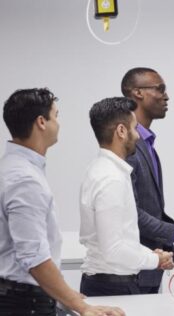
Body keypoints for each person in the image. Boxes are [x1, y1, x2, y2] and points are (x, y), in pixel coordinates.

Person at [0, 88, 124, 315]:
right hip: (24, 304)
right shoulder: (24, 179)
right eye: (56, 116)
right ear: (41, 122)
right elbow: (34, 258)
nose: (59, 123)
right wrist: (81, 306)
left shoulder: (12, 169)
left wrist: (65, 296)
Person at [79, 97, 174, 297]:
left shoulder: (101, 169)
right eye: (134, 128)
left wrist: (150, 254)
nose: (138, 136)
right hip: (114, 286)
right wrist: (155, 260)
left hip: (108, 283)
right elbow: (114, 250)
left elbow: (122, 237)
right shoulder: (111, 179)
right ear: (121, 131)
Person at [121, 67, 174, 293]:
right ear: (137, 93)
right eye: (160, 89)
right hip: (133, 270)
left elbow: (152, 209)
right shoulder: (128, 146)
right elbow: (131, 212)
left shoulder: (146, 144)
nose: (166, 96)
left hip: (147, 268)